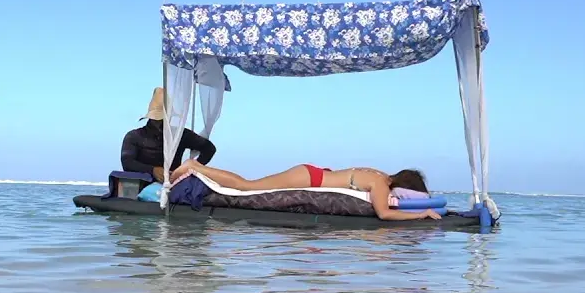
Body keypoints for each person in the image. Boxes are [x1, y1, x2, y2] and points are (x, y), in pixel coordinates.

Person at [169, 159, 442, 220]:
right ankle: (195, 167)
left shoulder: (378, 174)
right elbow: (384, 213)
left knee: (247, 185)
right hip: (311, 178)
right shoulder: (382, 184)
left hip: (313, 173)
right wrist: (421, 213)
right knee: (246, 186)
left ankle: (197, 167)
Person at [120, 87, 217, 183]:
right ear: (151, 118)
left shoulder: (180, 134)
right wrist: (153, 170)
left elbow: (209, 148)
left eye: (163, 118)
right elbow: (127, 162)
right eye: (158, 119)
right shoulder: (134, 136)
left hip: (172, 185)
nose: (161, 122)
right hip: (142, 186)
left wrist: (189, 169)